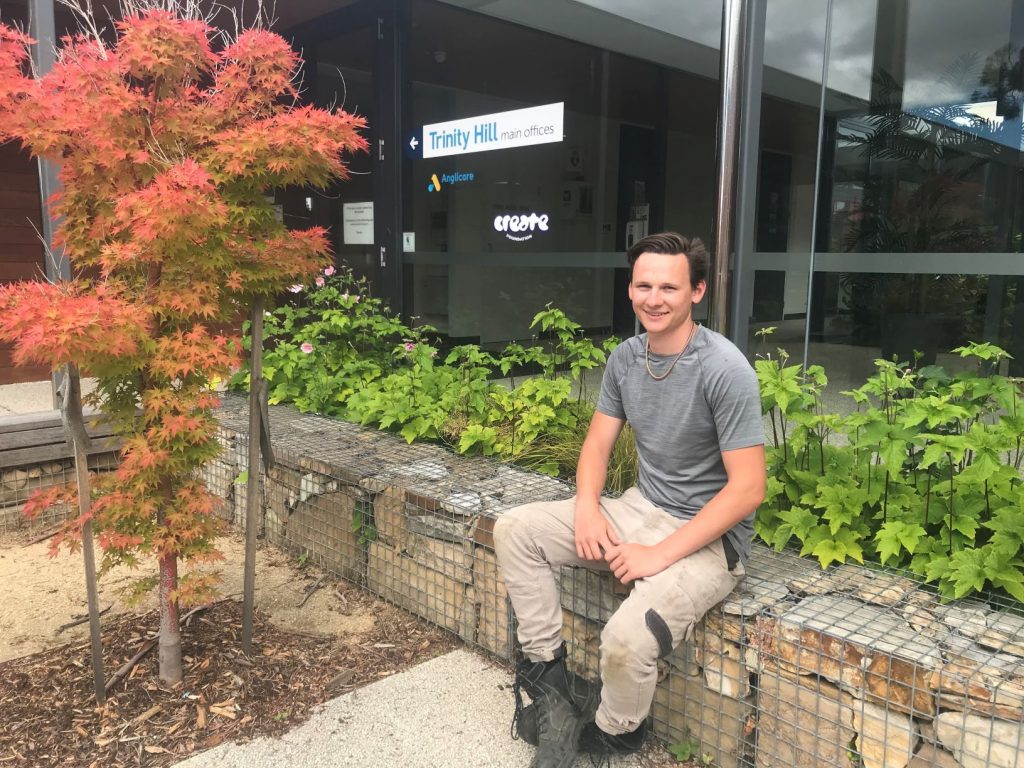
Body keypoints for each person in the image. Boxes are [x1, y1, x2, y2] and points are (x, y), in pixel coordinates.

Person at [493, 232, 766, 768]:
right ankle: (551, 686)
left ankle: (615, 734)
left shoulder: (724, 369)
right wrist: (588, 507)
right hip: (640, 507)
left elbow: (748, 488)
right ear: (630, 290)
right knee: (515, 530)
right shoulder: (626, 359)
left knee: (625, 639)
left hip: (712, 539)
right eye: (644, 285)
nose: (654, 298)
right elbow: (597, 444)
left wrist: (657, 556)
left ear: (697, 292)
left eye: (670, 286)